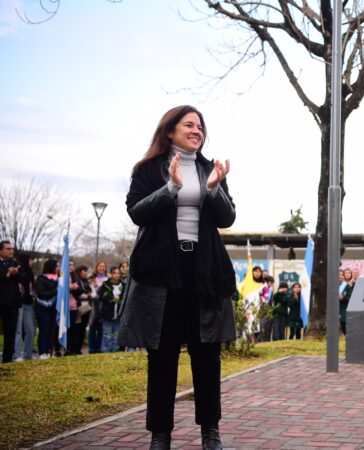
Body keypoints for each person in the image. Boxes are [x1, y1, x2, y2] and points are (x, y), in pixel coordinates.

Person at [118, 105, 236, 450]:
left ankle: (210, 432)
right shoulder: (147, 169)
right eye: (189, 124)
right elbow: (136, 212)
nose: (197, 130)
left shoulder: (210, 169)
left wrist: (213, 188)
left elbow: (227, 218)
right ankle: (160, 435)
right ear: (170, 130)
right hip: (162, 273)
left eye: (200, 126)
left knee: (207, 357)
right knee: (162, 357)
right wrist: (170, 187)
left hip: (204, 271)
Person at [34, 259, 59, 360]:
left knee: (52, 330)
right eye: (56, 266)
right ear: (51, 266)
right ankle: (42, 352)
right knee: (44, 329)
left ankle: (49, 351)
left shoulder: (59, 279)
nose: (58, 268)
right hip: (42, 307)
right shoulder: (41, 278)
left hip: (54, 307)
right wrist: (56, 290)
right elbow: (41, 293)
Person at [0, 241, 21, 363]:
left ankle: (7, 360)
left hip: (12, 303)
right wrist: (8, 273)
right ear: (1, 250)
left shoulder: (14, 263)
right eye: (8, 249)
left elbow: (23, 279)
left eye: (11, 249)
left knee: (10, 332)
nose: (11, 251)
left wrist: (17, 273)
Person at [67, 265, 94, 356]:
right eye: (84, 271)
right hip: (78, 307)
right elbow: (76, 292)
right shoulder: (76, 280)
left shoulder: (86, 281)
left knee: (82, 329)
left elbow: (89, 291)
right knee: (76, 329)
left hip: (87, 307)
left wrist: (88, 294)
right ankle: (73, 348)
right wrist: (84, 294)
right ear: (79, 271)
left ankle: (78, 349)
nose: (85, 273)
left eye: (86, 271)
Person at [98, 266, 126, 352]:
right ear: (111, 274)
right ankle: (106, 351)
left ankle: (115, 350)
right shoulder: (105, 285)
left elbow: (125, 297)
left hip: (119, 314)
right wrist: (112, 299)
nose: (117, 275)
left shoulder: (123, 285)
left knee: (116, 334)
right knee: (107, 334)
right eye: (114, 273)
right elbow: (102, 296)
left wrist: (119, 300)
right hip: (107, 314)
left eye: (118, 273)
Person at [13, 253, 35, 361]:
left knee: (30, 330)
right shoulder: (17, 271)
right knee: (18, 330)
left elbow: (32, 287)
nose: (32, 262)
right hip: (18, 303)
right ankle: (17, 355)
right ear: (25, 260)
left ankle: (28, 354)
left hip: (28, 303)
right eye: (30, 260)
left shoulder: (30, 272)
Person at [87, 261, 108, 354]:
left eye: (103, 266)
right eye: (100, 266)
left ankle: (99, 348)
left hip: (103, 306)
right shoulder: (91, 278)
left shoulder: (107, 279)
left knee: (101, 328)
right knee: (92, 328)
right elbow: (88, 290)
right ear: (96, 268)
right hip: (92, 306)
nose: (101, 268)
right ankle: (92, 348)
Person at [339, 268, 355, 334]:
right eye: (346, 273)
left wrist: (343, 297)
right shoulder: (341, 284)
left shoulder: (353, 284)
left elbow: (351, 296)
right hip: (341, 306)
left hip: (348, 305)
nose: (347, 274)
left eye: (349, 273)